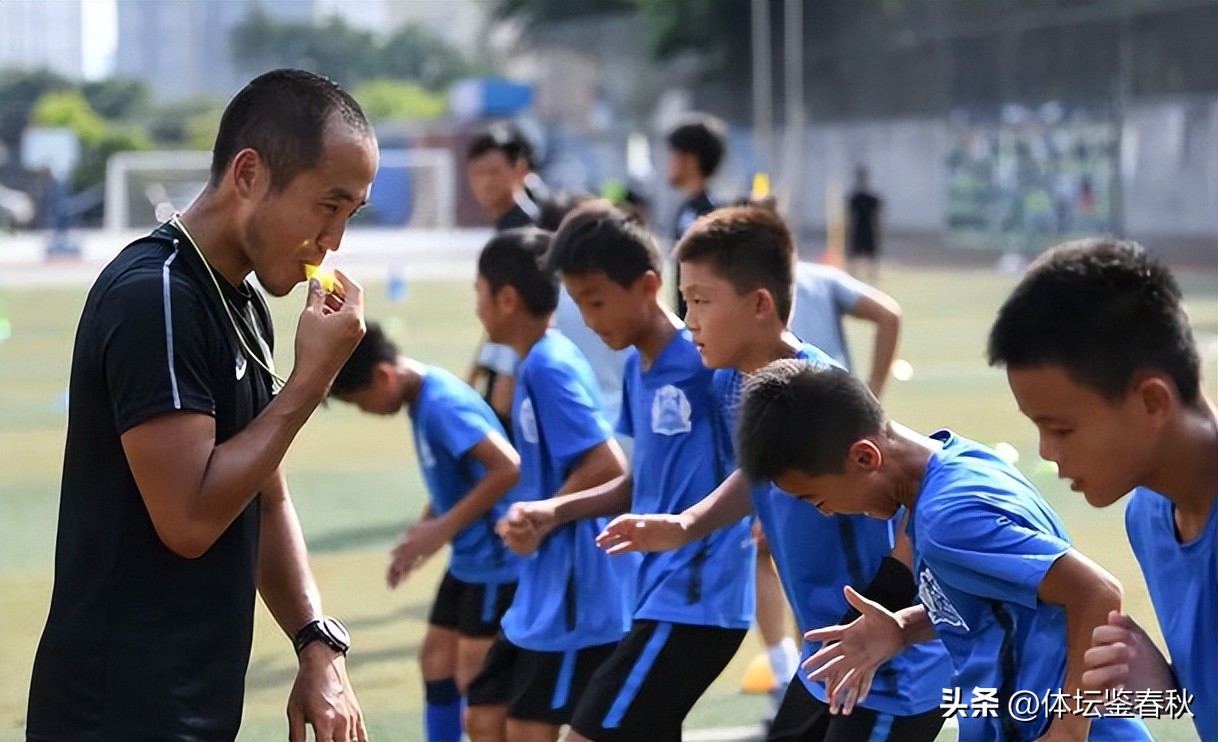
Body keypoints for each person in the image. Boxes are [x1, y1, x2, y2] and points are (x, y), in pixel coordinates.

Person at [26, 69, 376, 741]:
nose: (334, 240)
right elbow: (188, 519)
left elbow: (263, 494)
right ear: (248, 173)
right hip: (114, 715)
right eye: (327, 206)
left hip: (196, 706)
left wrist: (315, 642)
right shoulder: (154, 296)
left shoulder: (240, 301)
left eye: (350, 215)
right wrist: (310, 381)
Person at [597, 207, 952, 742]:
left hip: (885, 672)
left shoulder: (817, 391)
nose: (688, 318)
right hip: (824, 662)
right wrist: (686, 524)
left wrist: (892, 605)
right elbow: (756, 470)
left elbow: (918, 484)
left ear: (759, 304)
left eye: (701, 300)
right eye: (685, 299)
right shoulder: (731, 383)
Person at [736, 359, 1154, 741]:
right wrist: (903, 629)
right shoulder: (954, 463)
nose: (826, 514)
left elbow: (1097, 593)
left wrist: (1068, 731)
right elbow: (1000, 603)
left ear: (865, 457)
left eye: (816, 499)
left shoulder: (948, 518)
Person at [502, 201, 754, 741]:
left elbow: (759, 462)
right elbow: (639, 483)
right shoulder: (641, 372)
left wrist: (710, 527)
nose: (590, 323)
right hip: (653, 595)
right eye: (579, 306)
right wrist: (552, 511)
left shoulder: (704, 363)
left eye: (596, 303)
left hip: (695, 598)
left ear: (647, 285)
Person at [987, 238, 1216, 741]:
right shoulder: (1149, 516)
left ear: (1152, 401)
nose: (1047, 452)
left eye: (1062, 429)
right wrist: (1171, 689)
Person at [463, 228, 631, 742]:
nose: (476, 309)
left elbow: (607, 463)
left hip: (575, 594)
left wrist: (544, 516)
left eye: (479, 293)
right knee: (484, 715)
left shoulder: (549, 365)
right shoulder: (535, 360)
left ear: (506, 298)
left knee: (524, 729)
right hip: (541, 591)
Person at [329, 322, 524, 742]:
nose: (369, 413)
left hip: (495, 559)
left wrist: (440, 531)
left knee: (477, 682)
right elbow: (455, 482)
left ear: (383, 376)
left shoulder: (441, 404)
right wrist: (420, 537)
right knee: (436, 657)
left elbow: (507, 467)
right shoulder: (421, 400)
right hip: (469, 558)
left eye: (363, 403)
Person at [464, 125, 540, 438]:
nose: (486, 182)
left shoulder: (526, 231)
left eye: (495, 171)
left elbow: (524, 310)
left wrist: (506, 373)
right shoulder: (507, 226)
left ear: (519, 171)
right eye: (478, 173)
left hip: (520, 370)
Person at [537, 192, 631, 427]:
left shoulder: (547, 303)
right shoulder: (627, 293)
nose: (590, 320)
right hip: (628, 431)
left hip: (582, 434)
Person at [666, 113, 727, 318]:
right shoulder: (685, 209)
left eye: (673, 153)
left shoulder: (708, 214)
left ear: (690, 159)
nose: (668, 161)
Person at [846, 166, 882, 283]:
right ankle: (852, 280)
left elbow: (878, 217)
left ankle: (872, 281)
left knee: (871, 258)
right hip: (858, 230)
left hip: (869, 230)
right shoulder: (855, 198)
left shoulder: (872, 199)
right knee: (854, 258)